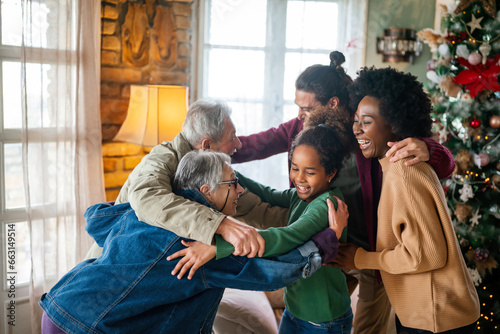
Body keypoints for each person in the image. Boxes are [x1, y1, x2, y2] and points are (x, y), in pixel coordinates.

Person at [231, 51, 456, 334]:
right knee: (322, 311)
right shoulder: (302, 128)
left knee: (367, 328)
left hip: (374, 249)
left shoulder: (369, 130)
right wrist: (213, 149)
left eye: (307, 108)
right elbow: (255, 145)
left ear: (333, 104)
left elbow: (446, 163)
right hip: (333, 242)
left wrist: (428, 148)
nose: (300, 115)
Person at [39, 150, 344, 334]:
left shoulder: (155, 210)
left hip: (59, 304)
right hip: (88, 327)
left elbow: (96, 218)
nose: (240, 190)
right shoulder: (200, 246)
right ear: (207, 189)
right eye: (232, 183)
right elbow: (273, 271)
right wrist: (330, 238)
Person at [170, 114, 354, 334]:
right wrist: (221, 169)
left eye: (310, 172)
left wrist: (217, 247)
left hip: (324, 319)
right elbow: (266, 193)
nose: (299, 178)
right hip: (295, 311)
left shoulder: (327, 205)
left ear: (331, 173)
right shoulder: (303, 195)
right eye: (295, 168)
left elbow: (287, 236)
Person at [332, 67, 480, 334]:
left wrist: (361, 258)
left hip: (434, 317)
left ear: (396, 125)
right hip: (428, 311)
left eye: (366, 121)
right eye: (356, 120)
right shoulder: (397, 164)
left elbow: (426, 254)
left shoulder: (403, 170)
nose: (356, 130)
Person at [85, 99, 266, 261]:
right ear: (207, 146)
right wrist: (220, 225)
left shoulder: (215, 174)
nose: (239, 144)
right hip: (110, 264)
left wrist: (293, 220)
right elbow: (146, 197)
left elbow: (254, 208)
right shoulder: (162, 159)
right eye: (232, 137)